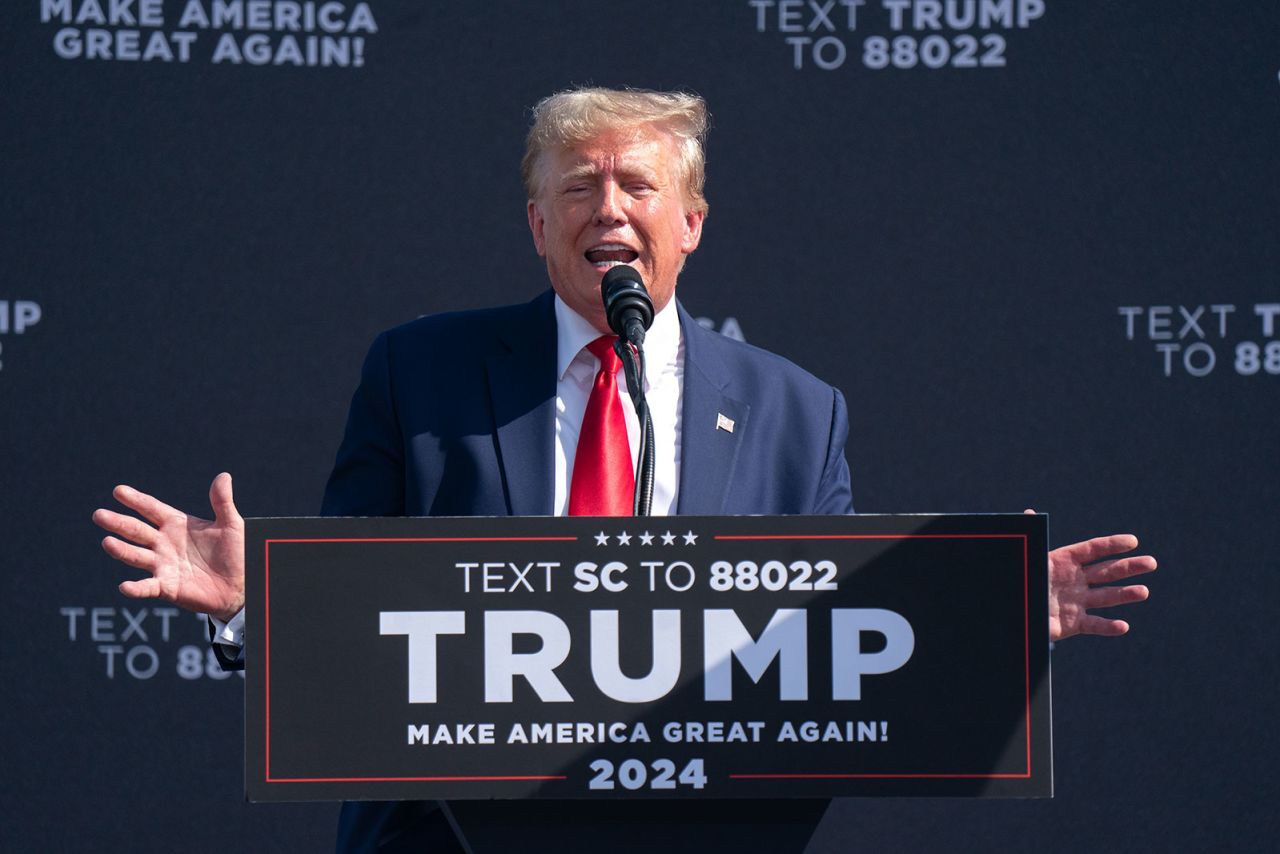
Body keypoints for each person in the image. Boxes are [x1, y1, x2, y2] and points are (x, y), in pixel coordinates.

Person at [92, 87, 1157, 852]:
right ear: (537, 224)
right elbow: (347, 609)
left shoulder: (796, 407)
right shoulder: (421, 370)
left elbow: (832, 632)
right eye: (578, 188)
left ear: (688, 223)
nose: (608, 208)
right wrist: (253, 605)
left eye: (636, 185)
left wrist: (982, 615)